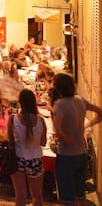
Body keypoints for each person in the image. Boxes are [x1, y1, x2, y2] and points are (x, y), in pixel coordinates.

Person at [52, 73, 102, 206]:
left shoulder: (60, 105)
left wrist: (65, 138)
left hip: (66, 156)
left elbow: (57, 129)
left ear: (58, 89)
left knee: (68, 199)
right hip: (82, 154)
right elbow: (100, 113)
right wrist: (87, 124)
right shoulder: (80, 100)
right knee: (81, 196)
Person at [8, 89, 46, 206]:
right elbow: (43, 143)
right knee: (37, 196)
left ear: (20, 102)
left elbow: (10, 141)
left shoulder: (13, 119)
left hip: (18, 158)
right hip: (35, 160)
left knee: (20, 195)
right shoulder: (40, 120)